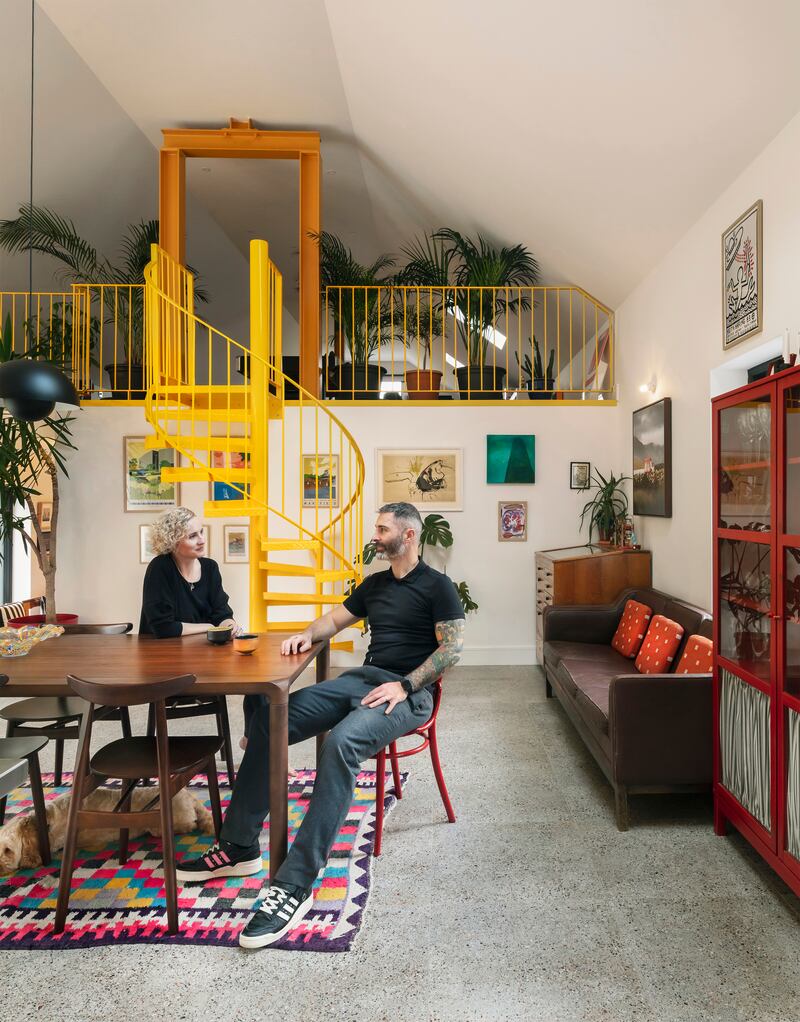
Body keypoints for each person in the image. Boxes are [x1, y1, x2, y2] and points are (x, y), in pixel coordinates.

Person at [176, 501, 466, 949]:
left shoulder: (438, 587)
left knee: (342, 743)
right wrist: (305, 635)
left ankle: (293, 884)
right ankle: (239, 846)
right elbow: (333, 619)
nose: (376, 534)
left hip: (409, 694)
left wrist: (405, 686)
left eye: (383, 528)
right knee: (272, 721)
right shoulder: (375, 585)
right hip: (362, 680)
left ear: (408, 536)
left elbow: (450, 650)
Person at [139, 507, 242, 638]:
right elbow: (163, 627)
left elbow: (221, 613)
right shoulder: (160, 567)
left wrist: (229, 625)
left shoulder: (210, 567)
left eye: (201, 532)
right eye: (192, 536)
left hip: (202, 652)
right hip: (162, 652)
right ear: (173, 542)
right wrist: (209, 627)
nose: (202, 540)